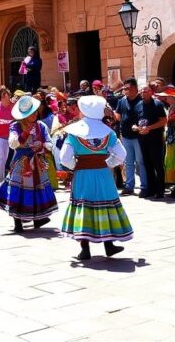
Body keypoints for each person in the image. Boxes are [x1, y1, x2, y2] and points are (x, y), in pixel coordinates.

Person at [60, 95, 132, 260]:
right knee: (106, 204)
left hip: (82, 175)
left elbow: (64, 158)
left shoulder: (73, 132)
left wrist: (76, 166)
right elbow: (121, 154)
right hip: (102, 174)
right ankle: (109, 245)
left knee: (84, 206)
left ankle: (85, 249)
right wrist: (107, 163)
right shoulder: (108, 132)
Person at [0, 95, 57, 232]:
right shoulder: (15, 126)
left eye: (35, 112)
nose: (34, 115)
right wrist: (25, 134)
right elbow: (13, 143)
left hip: (38, 162)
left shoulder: (41, 126)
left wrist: (43, 145)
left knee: (37, 190)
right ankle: (18, 222)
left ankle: (37, 218)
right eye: (30, 113)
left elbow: (49, 142)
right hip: (21, 163)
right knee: (18, 190)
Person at [113, 78, 146, 196]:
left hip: (138, 136)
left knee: (140, 162)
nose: (125, 91)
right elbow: (118, 114)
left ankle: (144, 186)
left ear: (135, 88)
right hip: (126, 135)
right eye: (124, 88)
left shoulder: (141, 100)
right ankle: (129, 186)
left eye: (127, 88)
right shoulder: (122, 101)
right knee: (128, 162)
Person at [135, 85, 167, 199]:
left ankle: (160, 190)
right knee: (147, 164)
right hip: (142, 139)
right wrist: (135, 127)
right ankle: (151, 189)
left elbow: (163, 121)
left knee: (157, 165)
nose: (143, 93)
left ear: (151, 92)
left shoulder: (157, 104)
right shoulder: (138, 105)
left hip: (155, 139)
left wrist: (149, 128)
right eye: (142, 91)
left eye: (146, 91)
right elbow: (136, 121)